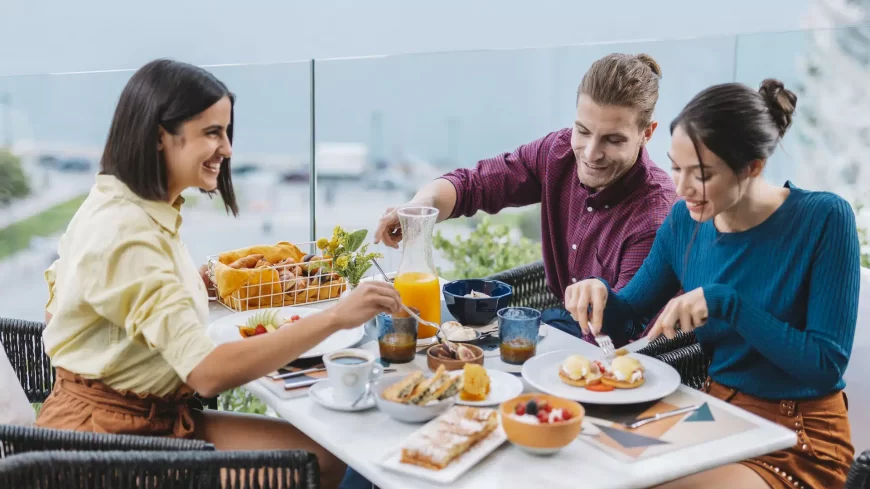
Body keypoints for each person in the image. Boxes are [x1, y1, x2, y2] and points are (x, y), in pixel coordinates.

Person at [35, 59, 403, 489]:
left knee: (327, 456)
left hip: (148, 415)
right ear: (160, 137)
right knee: (322, 461)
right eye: (213, 133)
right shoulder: (127, 232)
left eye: (226, 132)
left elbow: (65, 310)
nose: (227, 149)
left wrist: (197, 284)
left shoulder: (125, 203)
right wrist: (337, 317)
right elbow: (206, 374)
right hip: (106, 445)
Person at [565, 79, 859, 489]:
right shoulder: (684, 221)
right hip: (713, 412)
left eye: (701, 175)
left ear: (753, 166)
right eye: (675, 167)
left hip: (799, 434)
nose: (681, 188)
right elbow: (628, 318)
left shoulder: (824, 219)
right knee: (591, 464)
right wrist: (598, 295)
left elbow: (826, 367)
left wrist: (728, 304)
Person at [374, 53, 677, 347]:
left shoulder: (653, 217)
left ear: (647, 134)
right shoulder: (557, 152)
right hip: (563, 324)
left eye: (613, 140)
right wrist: (420, 208)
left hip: (614, 351)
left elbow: (622, 329)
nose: (590, 153)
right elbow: (478, 183)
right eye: (582, 131)